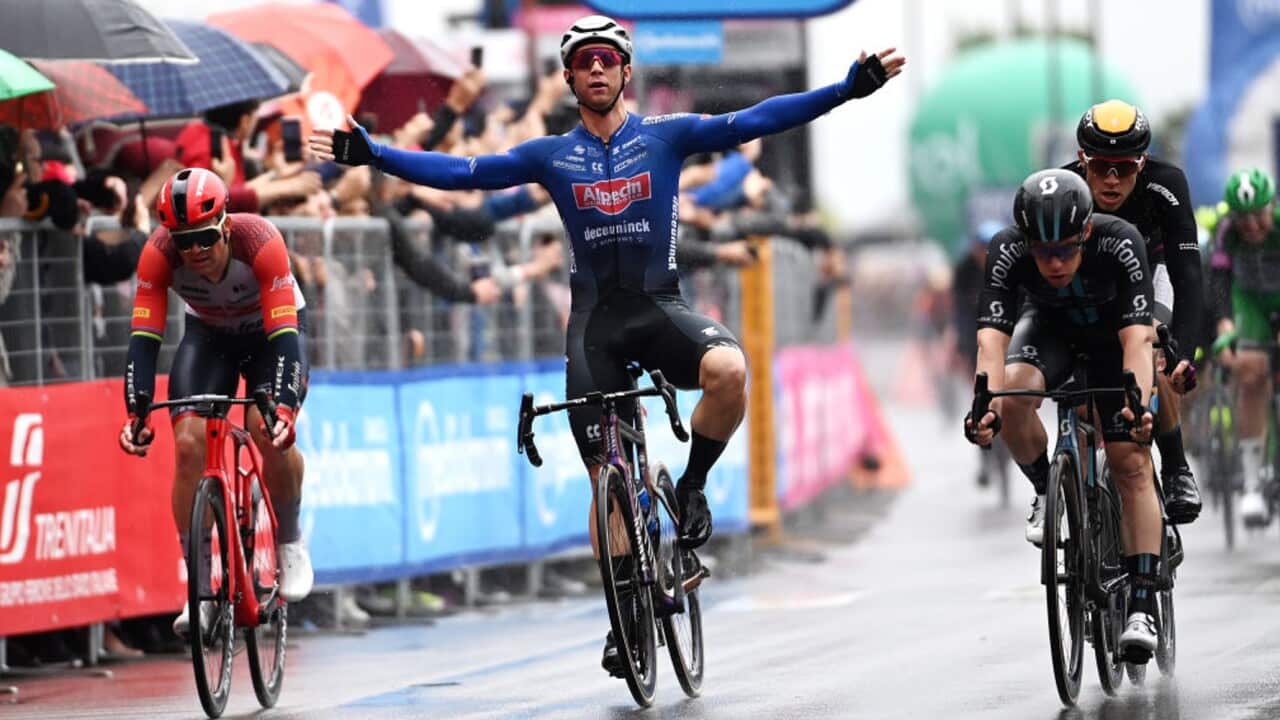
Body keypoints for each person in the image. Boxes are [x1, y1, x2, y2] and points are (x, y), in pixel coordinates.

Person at [310, 13, 904, 677]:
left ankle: (692, 488)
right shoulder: (551, 155)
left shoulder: (666, 137)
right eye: (584, 61)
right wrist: (376, 154)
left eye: (607, 60)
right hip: (594, 327)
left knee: (729, 370)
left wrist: (844, 90)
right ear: (569, 78)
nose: (596, 69)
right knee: (606, 482)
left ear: (625, 72)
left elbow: (754, 121)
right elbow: (465, 172)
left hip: (660, 308)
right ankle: (627, 618)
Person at [966, 169, 1162, 659]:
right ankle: (1044, 490)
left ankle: (1142, 602)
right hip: (1047, 331)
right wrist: (983, 405)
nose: (1054, 263)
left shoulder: (1120, 241)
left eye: (1066, 250)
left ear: (1087, 233)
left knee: (1129, 461)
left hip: (1110, 337)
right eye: (1043, 252)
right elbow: (992, 340)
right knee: (1013, 393)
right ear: (1026, 240)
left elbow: (1137, 337)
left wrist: (1138, 402)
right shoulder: (1007, 249)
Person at [117, 168, 313, 635]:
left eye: (204, 238)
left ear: (225, 225)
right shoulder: (158, 255)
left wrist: (283, 406)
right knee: (187, 446)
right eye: (183, 241)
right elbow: (144, 339)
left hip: (271, 336)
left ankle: (288, 541)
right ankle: (200, 587)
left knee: (270, 434)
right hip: (209, 338)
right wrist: (136, 409)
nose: (195, 252)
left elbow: (285, 335)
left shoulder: (260, 241)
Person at [1065, 100, 1203, 524]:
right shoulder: (1064, 185)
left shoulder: (1167, 184)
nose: (1110, 179)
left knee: (1153, 349)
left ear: (1142, 163)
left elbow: (1189, 278)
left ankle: (1176, 466)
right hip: (1093, 283)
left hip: (1152, 271)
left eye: (1124, 168)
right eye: (1101, 165)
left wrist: (1184, 354)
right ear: (1082, 160)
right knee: (1082, 383)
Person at [1208, 168, 1280, 525]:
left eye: (1258, 216)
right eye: (1242, 218)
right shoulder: (1227, 231)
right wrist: (1225, 326)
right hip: (1250, 303)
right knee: (1250, 374)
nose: (1251, 226)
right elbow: (1219, 280)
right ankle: (1252, 483)